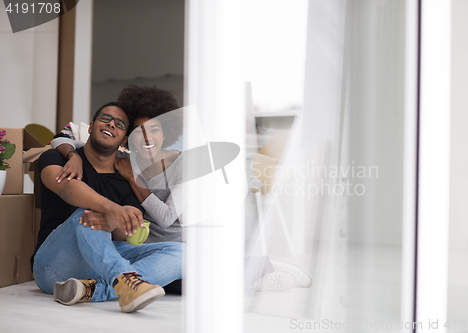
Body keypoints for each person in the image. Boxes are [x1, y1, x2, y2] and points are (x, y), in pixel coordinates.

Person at [51, 85, 312, 293]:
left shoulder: (183, 164)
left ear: (167, 133)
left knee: (195, 285)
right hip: (144, 246)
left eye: (154, 130)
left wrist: (133, 180)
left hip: (179, 246)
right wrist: (73, 155)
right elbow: (62, 136)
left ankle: (264, 267)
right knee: (166, 283)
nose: (147, 137)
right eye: (139, 130)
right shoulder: (126, 157)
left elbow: (166, 217)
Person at [32, 102, 183, 312]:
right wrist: (113, 210)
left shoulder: (126, 179)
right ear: (91, 126)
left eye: (120, 124)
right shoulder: (56, 158)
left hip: (98, 267)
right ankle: (124, 283)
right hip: (52, 266)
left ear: (124, 139)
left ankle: (97, 290)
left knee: (183, 253)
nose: (112, 124)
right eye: (106, 118)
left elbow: (128, 230)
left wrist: (115, 223)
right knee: (87, 215)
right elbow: (68, 189)